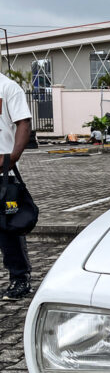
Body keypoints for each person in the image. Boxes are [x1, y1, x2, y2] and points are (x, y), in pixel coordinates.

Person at [0, 69, 33, 299]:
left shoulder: (8, 87)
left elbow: (24, 123)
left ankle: (20, 278)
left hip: (3, 171)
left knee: (8, 227)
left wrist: (12, 158)